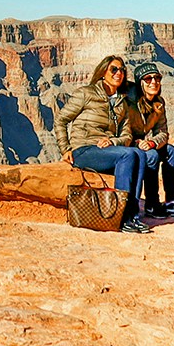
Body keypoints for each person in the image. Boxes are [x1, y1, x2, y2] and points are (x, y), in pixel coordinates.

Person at [54, 55, 152, 233]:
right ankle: (120, 218)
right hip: (84, 149)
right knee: (128, 154)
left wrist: (112, 141)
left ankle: (132, 216)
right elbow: (61, 120)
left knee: (140, 155)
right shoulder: (86, 93)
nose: (119, 73)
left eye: (122, 70)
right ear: (102, 72)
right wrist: (65, 149)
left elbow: (126, 134)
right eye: (114, 69)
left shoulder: (122, 101)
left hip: (107, 151)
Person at [128, 60, 174, 218]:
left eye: (157, 78)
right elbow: (121, 129)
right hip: (127, 143)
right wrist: (137, 142)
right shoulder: (130, 103)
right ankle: (152, 204)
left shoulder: (159, 103)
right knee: (152, 156)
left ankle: (171, 203)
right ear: (140, 82)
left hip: (145, 143)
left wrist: (152, 142)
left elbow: (163, 132)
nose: (154, 82)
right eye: (148, 79)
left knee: (170, 150)